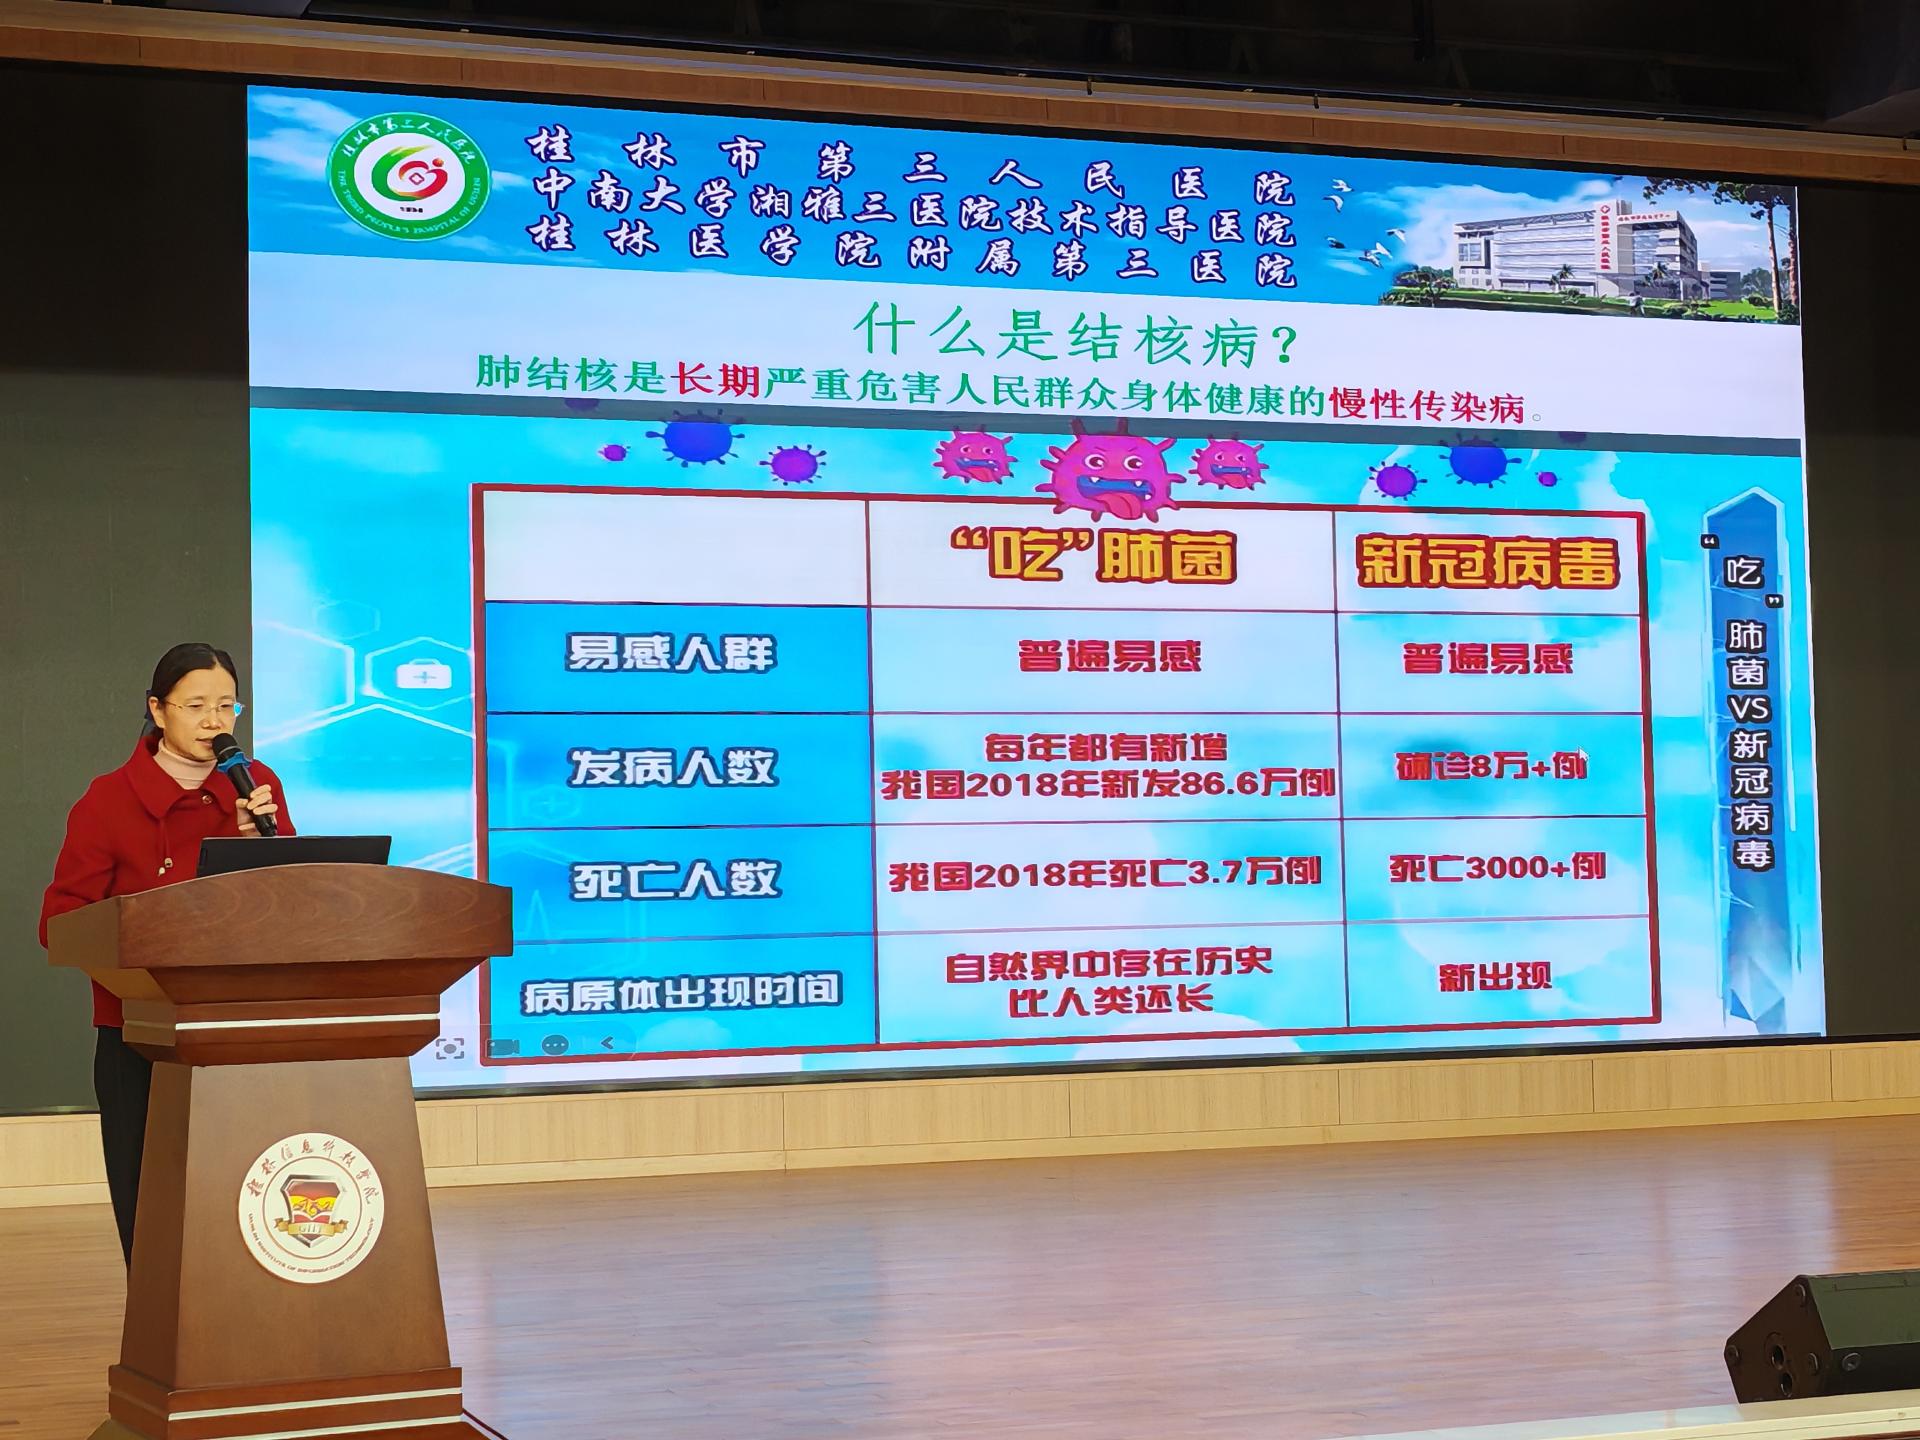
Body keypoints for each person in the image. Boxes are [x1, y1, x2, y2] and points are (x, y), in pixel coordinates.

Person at [39, 643, 290, 1265]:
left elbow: (291, 902)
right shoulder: (108, 800)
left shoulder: (257, 786)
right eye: (196, 706)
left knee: (248, 1197)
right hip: (140, 1034)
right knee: (151, 1202)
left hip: (238, 1027)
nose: (214, 722)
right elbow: (60, 924)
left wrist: (261, 843)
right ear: (157, 710)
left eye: (227, 706)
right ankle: (156, 1317)